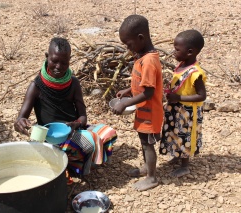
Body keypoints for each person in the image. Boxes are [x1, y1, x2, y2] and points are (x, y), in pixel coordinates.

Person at [14, 37, 117, 182]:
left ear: (70, 60)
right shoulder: (36, 86)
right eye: (54, 61)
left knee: (109, 133)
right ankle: (72, 165)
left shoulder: (73, 83)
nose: (58, 66)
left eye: (64, 63)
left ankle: (69, 162)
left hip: (72, 131)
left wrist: (76, 124)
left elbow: (82, 116)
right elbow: (19, 120)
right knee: (92, 141)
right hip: (49, 137)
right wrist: (21, 124)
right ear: (47, 56)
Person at [111, 15, 163, 191]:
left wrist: (125, 103)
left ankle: (152, 177)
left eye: (129, 44)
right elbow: (142, 85)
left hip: (150, 112)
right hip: (144, 111)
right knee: (143, 141)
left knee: (147, 143)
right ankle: (147, 168)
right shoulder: (142, 56)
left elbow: (149, 92)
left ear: (141, 38)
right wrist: (128, 91)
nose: (127, 48)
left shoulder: (148, 61)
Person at [160, 30, 207, 177]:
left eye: (177, 49)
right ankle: (176, 154)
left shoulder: (195, 73)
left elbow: (201, 96)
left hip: (188, 113)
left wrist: (179, 98)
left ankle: (185, 165)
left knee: (185, 135)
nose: (173, 51)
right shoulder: (181, 65)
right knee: (175, 133)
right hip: (176, 109)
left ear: (190, 52)